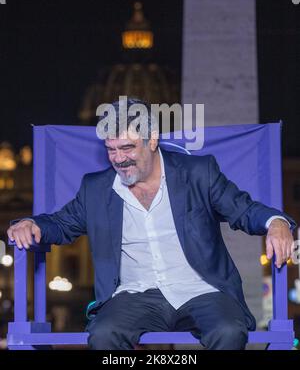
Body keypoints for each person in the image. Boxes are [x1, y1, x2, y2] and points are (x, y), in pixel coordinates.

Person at [7, 98, 296, 350]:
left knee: (229, 332)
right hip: (134, 295)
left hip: (201, 289)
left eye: (127, 147)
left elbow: (243, 209)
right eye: (111, 149)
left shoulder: (198, 173)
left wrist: (276, 222)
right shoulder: (95, 188)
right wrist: (30, 223)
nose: (119, 159)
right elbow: (60, 223)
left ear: (152, 139)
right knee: (103, 335)